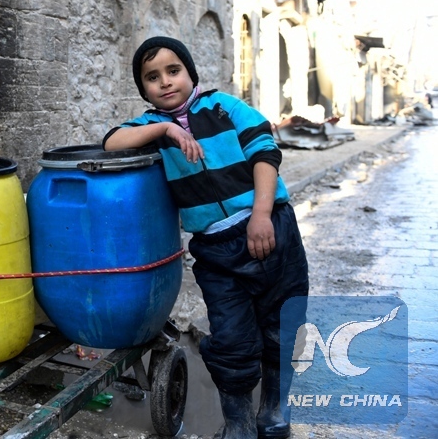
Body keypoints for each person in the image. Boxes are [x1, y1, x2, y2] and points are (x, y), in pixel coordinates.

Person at [103, 37, 308, 439]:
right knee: (232, 340)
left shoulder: (225, 107)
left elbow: (265, 152)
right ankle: (239, 424)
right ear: (143, 89)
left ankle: (273, 409)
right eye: (152, 77)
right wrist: (165, 129)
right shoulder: (150, 128)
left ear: (190, 72)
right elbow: (111, 141)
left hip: (271, 232)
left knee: (280, 327)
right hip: (216, 252)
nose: (165, 82)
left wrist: (262, 214)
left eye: (173, 70)